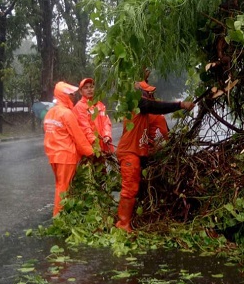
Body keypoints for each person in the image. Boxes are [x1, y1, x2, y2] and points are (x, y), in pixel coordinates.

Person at [114, 80, 195, 232]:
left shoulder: (143, 108)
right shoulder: (138, 104)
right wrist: (180, 105)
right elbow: (156, 107)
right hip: (129, 153)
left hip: (136, 153)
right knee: (129, 189)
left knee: (135, 188)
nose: (152, 96)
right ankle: (123, 225)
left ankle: (128, 221)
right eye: (148, 93)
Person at [43, 81, 95, 216]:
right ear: (63, 96)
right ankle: (59, 217)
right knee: (63, 188)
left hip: (53, 155)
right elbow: (79, 138)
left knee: (60, 185)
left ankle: (61, 215)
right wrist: (91, 153)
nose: (73, 96)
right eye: (70, 94)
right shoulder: (67, 114)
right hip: (66, 156)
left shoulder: (50, 113)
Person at [74, 78, 114, 153]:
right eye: (86, 88)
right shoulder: (79, 107)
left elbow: (106, 122)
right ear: (80, 92)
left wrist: (107, 135)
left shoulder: (100, 105)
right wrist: (94, 142)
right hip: (91, 148)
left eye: (91, 87)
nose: (89, 89)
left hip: (105, 145)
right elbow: (84, 127)